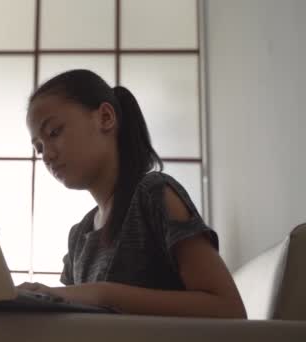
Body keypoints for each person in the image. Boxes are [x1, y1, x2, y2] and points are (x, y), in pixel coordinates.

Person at [18, 69, 246, 318]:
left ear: (105, 117)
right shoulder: (79, 235)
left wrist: (102, 294)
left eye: (54, 132)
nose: (47, 155)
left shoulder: (153, 194)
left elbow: (229, 309)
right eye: (39, 148)